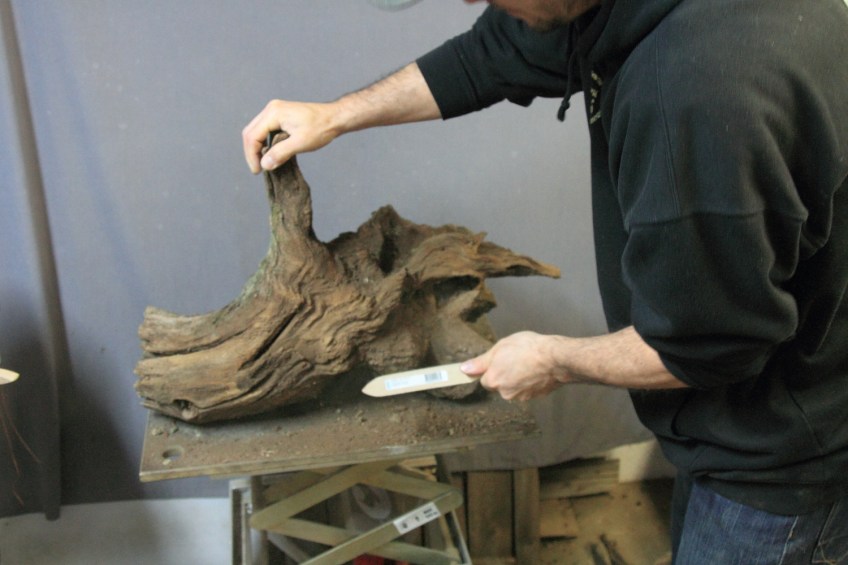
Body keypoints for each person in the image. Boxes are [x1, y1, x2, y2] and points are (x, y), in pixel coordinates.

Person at [242, 0, 848, 562]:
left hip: (788, 463)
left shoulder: (697, 94)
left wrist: (553, 360)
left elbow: (707, 344)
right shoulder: (606, 11)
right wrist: (335, 116)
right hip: (743, 428)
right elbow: (492, 55)